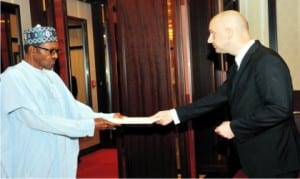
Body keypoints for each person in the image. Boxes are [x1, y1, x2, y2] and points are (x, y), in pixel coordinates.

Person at [151, 10, 300, 178]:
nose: (209, 40)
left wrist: (234, 127)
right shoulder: (240, 64)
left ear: (229, 33)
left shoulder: (266, 61)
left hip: (275, 160)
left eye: (213, 33)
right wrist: (174, 114)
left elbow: (279, 109)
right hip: (258, 158)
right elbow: (218, 97)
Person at [0, 24, 122, 178]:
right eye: (50, 51)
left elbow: (72, 107)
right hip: (30, 160)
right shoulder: (13, 78)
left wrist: (107, 117)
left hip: (56, 157)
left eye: (56, 51)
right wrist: (88, 125)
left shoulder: (51, 76)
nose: (55, 56)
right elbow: (35, 120)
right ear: (32, 50)